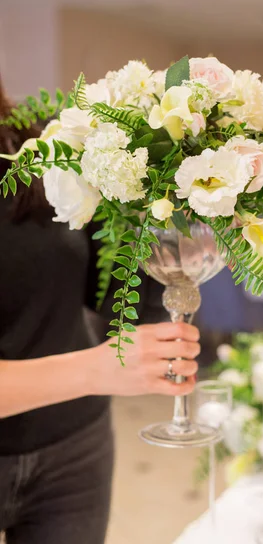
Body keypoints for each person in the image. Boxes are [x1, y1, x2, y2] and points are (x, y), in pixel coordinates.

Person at [0, 75, 200, 544]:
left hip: (75, 451)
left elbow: (106, 274)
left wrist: (166, 221)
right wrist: (102, 368)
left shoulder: (40, 143)